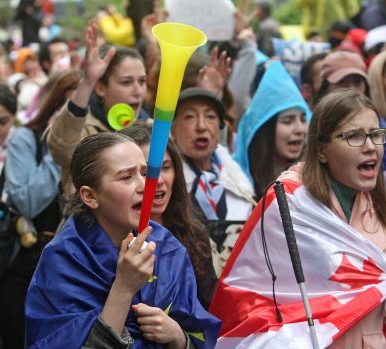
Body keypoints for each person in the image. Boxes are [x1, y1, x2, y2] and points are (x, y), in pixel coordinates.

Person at [210, 89, 386, 348]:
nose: (370, 146)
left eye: (375, 134)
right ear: (322, 150)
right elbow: (250, 297)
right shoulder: (288, 205)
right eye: (355, 136)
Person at [25, 132, 221, 348]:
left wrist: (178, 337)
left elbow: (201, 335)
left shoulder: (167, 247)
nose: (146, 185)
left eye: (145, 173)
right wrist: (124, 288)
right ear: (90, 196)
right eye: (126, 177)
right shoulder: (64, 259)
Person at [0, 70, 79, 349]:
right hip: (26, 266)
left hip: (72, 272)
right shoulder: (25, 139)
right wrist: (60, 149)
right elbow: (27, 201)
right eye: (70, 110)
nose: (76, 121)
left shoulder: (100, 146)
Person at [120, 122, 217, 309]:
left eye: (165, 167)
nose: (160, 180)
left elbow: (209, 311)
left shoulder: (193, 234)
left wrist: (180, 336)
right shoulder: (110, 234)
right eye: (147, 172)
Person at [47, 22, 148, 200]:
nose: (137, 90)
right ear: (100, 87)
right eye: (126, 82)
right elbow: (60, 148)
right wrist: (87, 82)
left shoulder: (153, 131)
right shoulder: (84, 130)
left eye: (141, 81)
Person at [171, 87, 255, 276]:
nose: (201, 126)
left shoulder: (240, 186)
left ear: (220, 129)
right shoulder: (166, 189)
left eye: (210, 117)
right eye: (189, 117)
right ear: (172, 130)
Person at [235, 61, 311, 199]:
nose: (300, 129)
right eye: (288, 121)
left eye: (303, 119)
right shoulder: (235, 180)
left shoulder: (314, 180)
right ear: (265, 129)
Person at [317, 50, 386, 170]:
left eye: (357, 82)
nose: (352, 90)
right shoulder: (311, 123)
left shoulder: (379, 124)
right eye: (342, 83)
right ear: (325, 86)